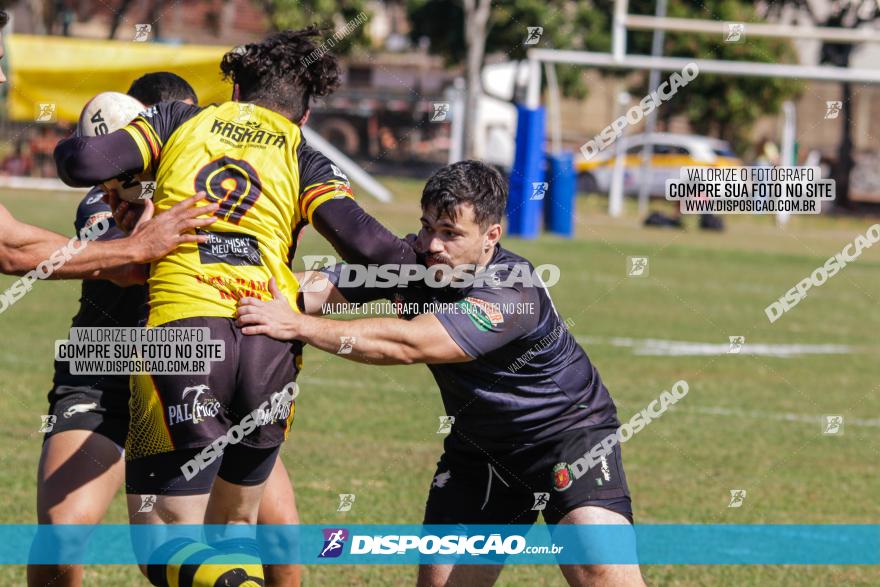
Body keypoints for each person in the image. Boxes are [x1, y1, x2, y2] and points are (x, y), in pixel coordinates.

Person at [53, 27, 414, 586]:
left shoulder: (179, 119)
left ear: (236, 89)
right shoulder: (302, 154)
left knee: (164, 545)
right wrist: (436, 274)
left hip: (185, 338)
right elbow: (374, 250)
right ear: (307, 113)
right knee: (235, 533)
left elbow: (83, 164)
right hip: (271, 342)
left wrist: (77, 146)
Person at [236, 161, 647, 587]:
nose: (432, 244)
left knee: (600, 572)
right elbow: (315, 289)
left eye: (450, 233)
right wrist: (227, 290)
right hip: (480, 449)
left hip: (568, 438)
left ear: (491, 237)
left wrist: (298, 326)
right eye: (427, 226)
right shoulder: (413, 262)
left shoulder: (514, 291)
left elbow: (413, 344)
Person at [28, 72, 300, 587]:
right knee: (62, 534)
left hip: (192, 365)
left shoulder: (216, 192)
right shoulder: (106, 200)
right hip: (107, 370)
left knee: (279, 533)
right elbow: (113, 237)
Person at [0, 11, 216, 282]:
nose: (3, 78)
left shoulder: (201, 186)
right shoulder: (105, 195)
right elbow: (9, 247)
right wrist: (135, 245)